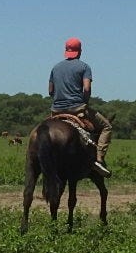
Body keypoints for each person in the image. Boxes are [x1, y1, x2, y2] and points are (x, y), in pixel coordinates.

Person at [48, 37, 113, 177]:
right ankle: (99, 159)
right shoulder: (84, 67)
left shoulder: (55, 68)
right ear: (80, 51)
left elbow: (50, 91)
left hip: (56, 110)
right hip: (77, 108)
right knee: (107, 126)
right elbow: (87, 88)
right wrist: (85, 101)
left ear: (66, 51)